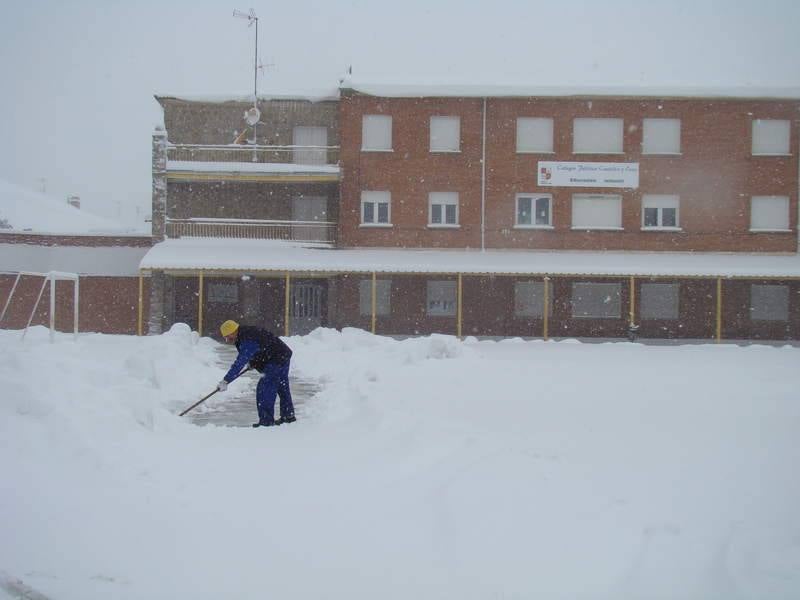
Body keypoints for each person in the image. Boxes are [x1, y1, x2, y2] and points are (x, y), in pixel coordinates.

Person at [217, 319, 296, 428]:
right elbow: (260, 348)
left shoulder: (246, 338)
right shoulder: (244, 335)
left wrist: (226, 380)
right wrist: (253, 363)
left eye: (227, 336)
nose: (227, 340)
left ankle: (266, 422)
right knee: (281, 386)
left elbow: (240, 362)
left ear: (233, 331)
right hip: (282, 354)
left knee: (264, 388)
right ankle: (288, 416)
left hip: (276, 359)